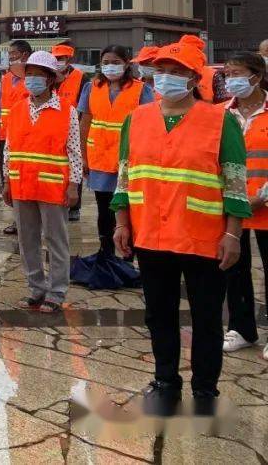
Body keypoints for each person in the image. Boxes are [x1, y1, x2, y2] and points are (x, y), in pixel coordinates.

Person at [112, 41, 247, 416]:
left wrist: (233, 233)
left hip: (203, 237)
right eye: (160, 69)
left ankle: (205, 389)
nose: (165, 77)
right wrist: (121, 222)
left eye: (175, 70)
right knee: (159, 313)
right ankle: (166, 381)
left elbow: (235, 181)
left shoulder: (222, 120)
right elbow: (126, 176)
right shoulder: (136, 119)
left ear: (192, 76)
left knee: (206, 316)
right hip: (151, 234)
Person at [3, 50, 82, 313]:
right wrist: (6, 180)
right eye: (29, 75)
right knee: (27, 240)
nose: (32, 80)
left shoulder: (67, 111)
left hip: (52, 186)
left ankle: (57, 291)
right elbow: (9, 148)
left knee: (56, 240)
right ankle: (36, 288)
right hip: (22, 183)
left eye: (38, 75)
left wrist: (74, 184)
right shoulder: (17, 110)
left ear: (50, 79)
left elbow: (74, 150)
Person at [72, 45, 153, 288]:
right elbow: (85, 122)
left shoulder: (141, 90)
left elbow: (149, 124)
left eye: (116, 61)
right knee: (103, 209)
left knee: (130, 210)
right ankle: (106, 251)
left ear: (127, 63)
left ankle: (129, 255)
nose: (110, 66)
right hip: (99, 159)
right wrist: (83, 156)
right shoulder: (92, 87)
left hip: (129, 161)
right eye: (105, 61)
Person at [220, 52, 268, 356]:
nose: (231, 80)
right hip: (233, 206)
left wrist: (262, 195)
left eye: (236, 73)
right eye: (227, 74)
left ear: (257, 75)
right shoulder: (221, 113)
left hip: (265, 203)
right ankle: (241, 328)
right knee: (234, 267)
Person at [0, 39, 32, 236]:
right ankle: (17, 219)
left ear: (24, 55)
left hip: (27, 137)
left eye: (13, 54)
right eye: (9, 54)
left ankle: (28, 220)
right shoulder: (5, 79)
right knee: (9, 179)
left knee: (25, 176)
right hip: (6, 136)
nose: (10, 57)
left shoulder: (34, 78)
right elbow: (1, 108)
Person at [52, 43, 88, 222]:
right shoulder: (50, 76)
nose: (58, 62)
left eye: (61, 59)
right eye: (55, 58)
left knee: (75, 167)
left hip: (74, 127)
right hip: (53, 128)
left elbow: (84, 106)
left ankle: (75, 207)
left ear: (69, 59)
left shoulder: (81, 78)